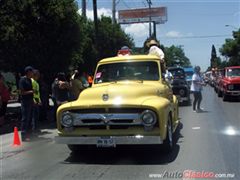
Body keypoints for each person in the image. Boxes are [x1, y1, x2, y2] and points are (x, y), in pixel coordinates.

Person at [19, 66, 34, 141]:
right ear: (28, 72)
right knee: (25, 118)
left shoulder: (30, 80)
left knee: (30, 117)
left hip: (31, 100)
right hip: (25, 101)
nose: (32, 73)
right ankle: (24, 135)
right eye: (31, 72)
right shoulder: (23, 80)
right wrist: (31, 91)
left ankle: (30, 134)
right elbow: (21, 92)